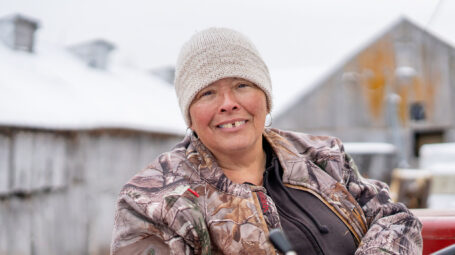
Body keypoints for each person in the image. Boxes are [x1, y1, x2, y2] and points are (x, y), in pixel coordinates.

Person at [110, 27, 422, 255]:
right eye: (207, 93)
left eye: (242, 85)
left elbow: (395, 218)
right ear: (188, 114)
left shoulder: (322, 155)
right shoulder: (152, 200)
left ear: (266, 97)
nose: (228, 103)